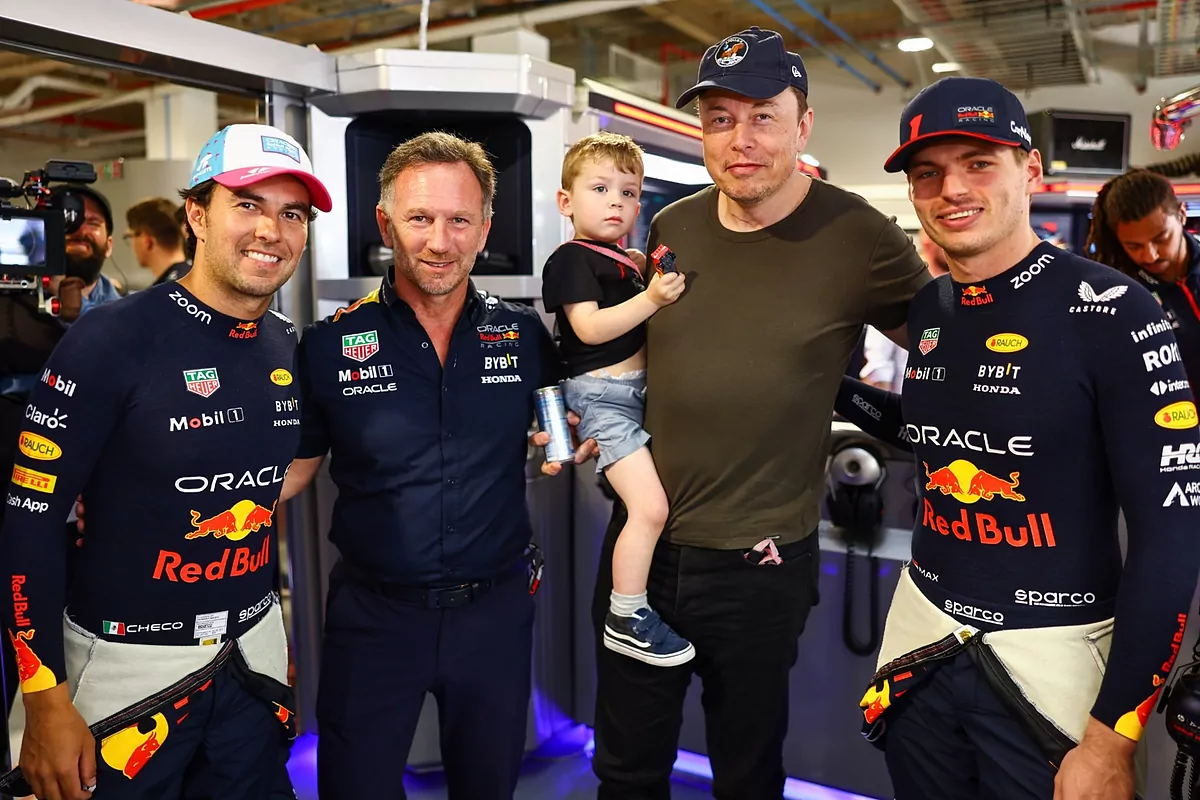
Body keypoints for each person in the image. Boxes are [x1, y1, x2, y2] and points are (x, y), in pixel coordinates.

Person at [545, 26, 931, 799]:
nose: (740, 139)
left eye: (763, 116)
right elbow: (635, 347)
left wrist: (856, 399)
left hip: (759, 563)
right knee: (624, 770)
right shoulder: (671, 226)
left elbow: (948, 348)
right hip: (643, 550)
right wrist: (594, 412)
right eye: (720, 119)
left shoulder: (858, 235)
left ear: (803, 124)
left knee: (747, 773)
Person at [836, 76, 1200, 800]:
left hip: (1055, 671)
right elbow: (940, 437)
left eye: (978, 163)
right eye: (928, 173)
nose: (951, 189)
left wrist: (1112, 740)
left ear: (1030, 169)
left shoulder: (1116, 309)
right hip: (922, 650)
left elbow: (1170, 536)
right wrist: (826, 388)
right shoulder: (930, 306)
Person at [1, 122, 332, 800]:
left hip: (250, 663)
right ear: (196, 215)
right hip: (123, 672)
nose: (271, 230)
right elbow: (30, 523)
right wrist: (43, 697)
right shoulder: (107, 339)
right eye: (247, 204)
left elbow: (279, 478)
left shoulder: (285, 342)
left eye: (292, 213)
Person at [278, 131, 564, 800]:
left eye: (460, 220)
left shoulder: (523, 335)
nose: (440, 241)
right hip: (374, 619)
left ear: (485, 228)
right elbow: (292, 472)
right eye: (420, 219)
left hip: (494, 616)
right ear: (386, 225)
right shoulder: (328, 346)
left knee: (489, 788)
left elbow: (565, 423)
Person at [540, 132, 691, 667]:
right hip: (603, 398)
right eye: (600, 189)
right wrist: (651, 298)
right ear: (566, 202)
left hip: (636, 393)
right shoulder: (570, 259)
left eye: (628, 193)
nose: (615, 203)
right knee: (649, 509)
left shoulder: (620, 258)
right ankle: (626, 614)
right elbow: (589, 328)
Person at [1086, 169, 1200, 381]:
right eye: (1134, 246)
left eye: (1161, 238)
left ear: (1182, 215)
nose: (1150, 255)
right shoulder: (1119, 294)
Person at [125, 197, 191, 285]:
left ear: (146, 241)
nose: (132, 245)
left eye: (130, 236)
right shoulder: (197, 277)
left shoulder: (163, 290)